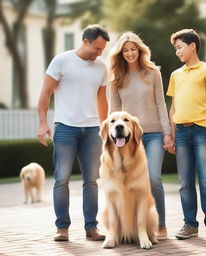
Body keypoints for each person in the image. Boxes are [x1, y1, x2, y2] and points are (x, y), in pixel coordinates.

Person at [37, 24, 110, 242]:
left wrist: (105, 128)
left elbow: (102, 100)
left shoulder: (101, 67)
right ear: (85, 41)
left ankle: (91, 227)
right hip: (65, 127)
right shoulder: (62, 60)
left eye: (102, 50)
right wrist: (43, 123)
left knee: (92, 180)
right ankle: (62, 228)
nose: (98, 53)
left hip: (92, 130)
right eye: (96, 48)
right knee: (61, 179)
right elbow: (45, 93)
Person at [108, 32, 172, 240]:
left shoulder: (152, 73)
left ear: (140, 50)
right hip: (128, 138)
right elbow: (114, 112)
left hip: (153, 133)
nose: (129, 53)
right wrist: (112, 139)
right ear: (120, 53)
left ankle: (161, 225)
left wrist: (167, 132)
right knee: (126, 182)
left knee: (153, 177)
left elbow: (161, 104)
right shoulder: (116, 78)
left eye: (133, 49)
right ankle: (131, 227)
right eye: (125, 50)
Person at [166, 29, 206, 241]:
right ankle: (190, 224)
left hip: (202, 130)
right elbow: (173, 108)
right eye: (175, 49)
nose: (177, 52)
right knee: (184, 181)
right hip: (181, 132)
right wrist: (171, 135)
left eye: (179, 47)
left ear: (193, 45)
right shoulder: (176, 75)